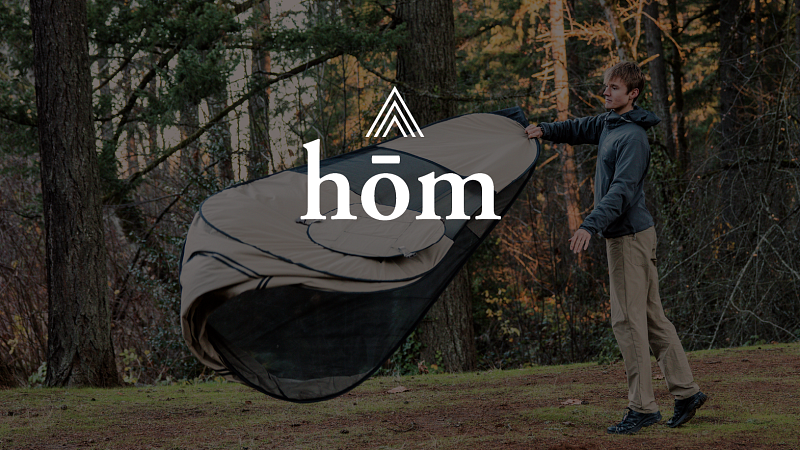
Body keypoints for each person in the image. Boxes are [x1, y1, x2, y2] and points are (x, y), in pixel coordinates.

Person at [525, 61, 707, 435]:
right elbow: (577, 128)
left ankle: (642, 407)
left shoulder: (633, 138)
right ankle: (686, 392)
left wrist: (590, 224)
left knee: (628, 322)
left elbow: (621, 192)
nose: (606, 92)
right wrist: (544, 129)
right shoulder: (610, 123)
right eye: (606, 86)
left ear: (633, 94)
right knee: (653, 318)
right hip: (632, 236)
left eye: (614, 88)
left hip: (628, 239)